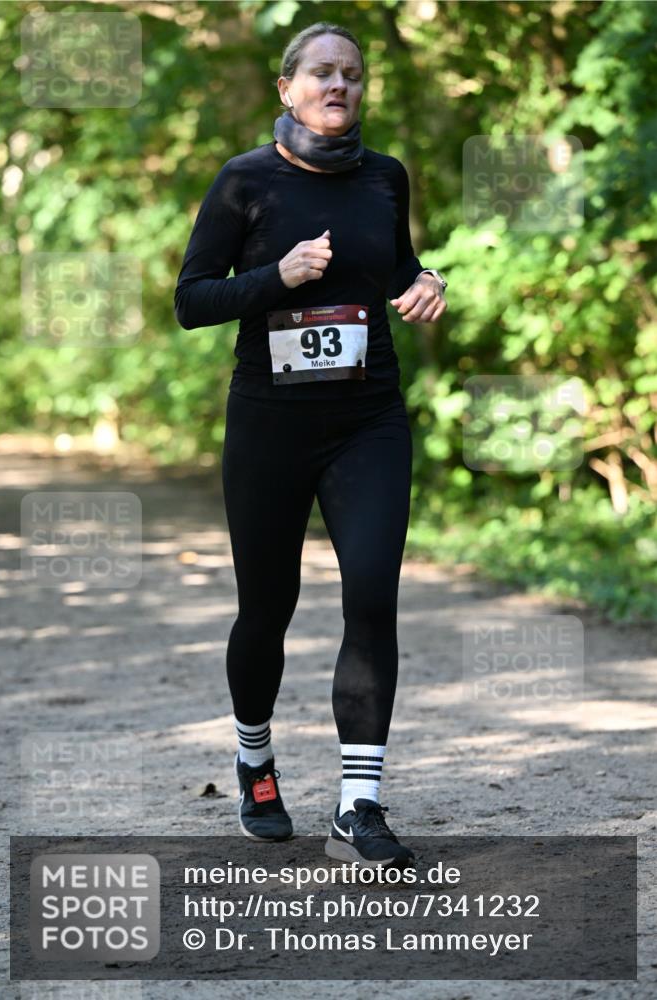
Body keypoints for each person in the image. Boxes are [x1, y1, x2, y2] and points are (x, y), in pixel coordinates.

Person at [174, 21, 447, 868]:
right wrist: (275, 278)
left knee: (370, 596)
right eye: (323, 73)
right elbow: (192, 300)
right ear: (285, 87)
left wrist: (425, 282)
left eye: (353, 75)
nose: (340, 86)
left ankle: (358, 804)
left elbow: (393, 267)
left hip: (368, 420)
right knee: (268, 608)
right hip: (270, 421)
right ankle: (255, 762)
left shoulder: (384, 179)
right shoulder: (244, 181)